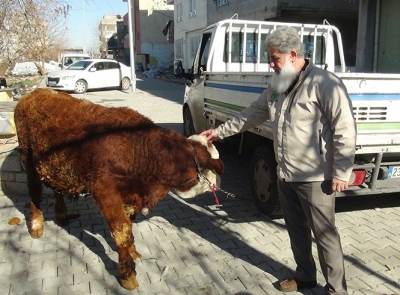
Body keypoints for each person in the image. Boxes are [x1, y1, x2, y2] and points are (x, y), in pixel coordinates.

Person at [200, 26, 356, 295]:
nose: (270, 64)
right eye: (270, 58)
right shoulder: (277, 84)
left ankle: (337, 290)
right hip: (285, 174)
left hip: (316, 178)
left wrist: (341, 171)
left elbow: (345, 129)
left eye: (274, 59)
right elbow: (252, 114)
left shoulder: (324, 84)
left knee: (325, 236)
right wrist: (218, 131)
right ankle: (305, 276)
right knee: (296, 230)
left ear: (292, 54)